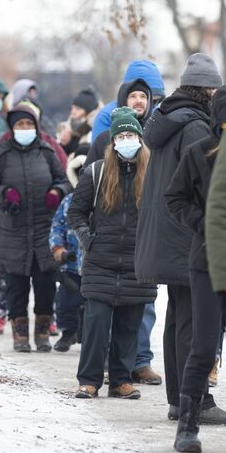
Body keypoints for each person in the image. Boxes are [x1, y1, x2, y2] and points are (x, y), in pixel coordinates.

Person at [165, 85, 226, 451]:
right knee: (203, 345)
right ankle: (187, 424)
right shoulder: (199, 153)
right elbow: (175, 197)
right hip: (207, 259)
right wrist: (203, 221)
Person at [135, 53, 223, 420]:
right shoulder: (196, 127)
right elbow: (204, 185)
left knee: (178, 320)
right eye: (214, 88)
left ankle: (178, 399)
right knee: (194, 323)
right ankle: (196, 401)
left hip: (164, 235)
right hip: (186, 236)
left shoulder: (167, 121)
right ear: (204, 89)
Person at [69, 107, 155, 399]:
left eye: (132, 134)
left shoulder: (153, 172)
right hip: (101, 262)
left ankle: (121, 380)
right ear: (113, 140)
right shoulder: (97, 172)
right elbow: (76, 211)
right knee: (95, 325)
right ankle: (89, 380)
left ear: (140, 138)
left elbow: (164, 213)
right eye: (121, 135)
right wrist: (88, 240)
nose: (127, 139)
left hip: (137, 262)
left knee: (128, 327)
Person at [85, 69, 162, 386]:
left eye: (144, 96)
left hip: (138, 246)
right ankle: (102, 367)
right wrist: (88, 239)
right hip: (106, 247)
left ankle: (138, 362)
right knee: (101, 315)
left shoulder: (157, 136)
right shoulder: (103, 140)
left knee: (141, 309)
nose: (139, 101)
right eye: (133, 95)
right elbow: (86, 190)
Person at [0, 104, 70, 352]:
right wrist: (4, 194)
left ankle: (42, 333)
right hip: (12, 230)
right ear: (12, 128)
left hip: (44, 229)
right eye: (20, 125)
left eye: (29, 124)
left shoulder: (47, 151)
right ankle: (19, 335)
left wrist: (56, 192)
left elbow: (64, 180)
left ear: (36, 126)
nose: (25, 129)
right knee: (16, 286)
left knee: (45, 284)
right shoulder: (0, 153)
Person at [48, 149, 86, 352]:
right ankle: (68, 332)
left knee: (90, 306)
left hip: (92, 266)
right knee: (65, 302)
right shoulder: (68, 202)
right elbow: (57, 227)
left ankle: (87, 336)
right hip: (70, 265)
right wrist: (58, 249)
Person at [91, 60, 165, 143]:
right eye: (133, 96)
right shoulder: (107, 116)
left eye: (155, 99)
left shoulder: (158, 114)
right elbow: (99, 150)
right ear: (125, 94)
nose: (140, 101)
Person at [59, 88, 100, 156]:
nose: (73, 112)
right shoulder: (69, 127)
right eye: (72, 108)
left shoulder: (94, 130)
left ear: (88, 112)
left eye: (78, 109)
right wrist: (64, 143)